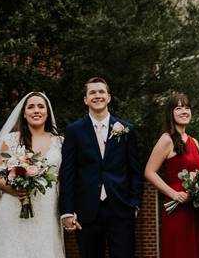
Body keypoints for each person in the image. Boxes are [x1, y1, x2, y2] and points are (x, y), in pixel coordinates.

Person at [60, 77, 143, 258]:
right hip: (86, 210)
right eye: (92, 92)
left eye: (101, 92)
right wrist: (67, 210)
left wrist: (134, 203)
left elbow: (135, 171)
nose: (97, 96)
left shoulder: (126, 129)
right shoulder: (74, 131)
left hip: (121, 208)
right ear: (85, 99)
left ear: (109, 97)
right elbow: (67, 172)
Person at [0, 91, 65, 258]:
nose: (36, 110)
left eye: (40, 106)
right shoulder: (11, 140)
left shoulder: (59, 142)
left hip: (47, 209)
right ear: (24, 113)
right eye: (30, 107)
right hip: (14, 207)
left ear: (47, 112)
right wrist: (15, 189)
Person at [144, 93, 199, 258]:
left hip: (197, 210)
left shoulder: (194, 142)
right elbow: (149, 171)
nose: (184, 111)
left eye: (187, 107)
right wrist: (173, 194)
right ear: (171, 113)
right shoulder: (166, 140)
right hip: (178, 209)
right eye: (178, 108)